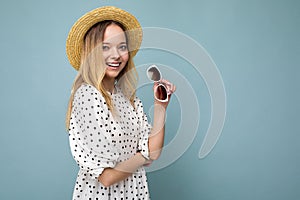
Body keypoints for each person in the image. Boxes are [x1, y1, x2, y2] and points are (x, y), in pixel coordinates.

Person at [65, 6, 176, 200]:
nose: (116, 55)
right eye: (105, 47)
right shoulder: (87, 97)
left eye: (122, 47)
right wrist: (142, 156)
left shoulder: (128, 98)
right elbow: (107, 177)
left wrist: (160, 106)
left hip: (133, 193)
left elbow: (154, 150)